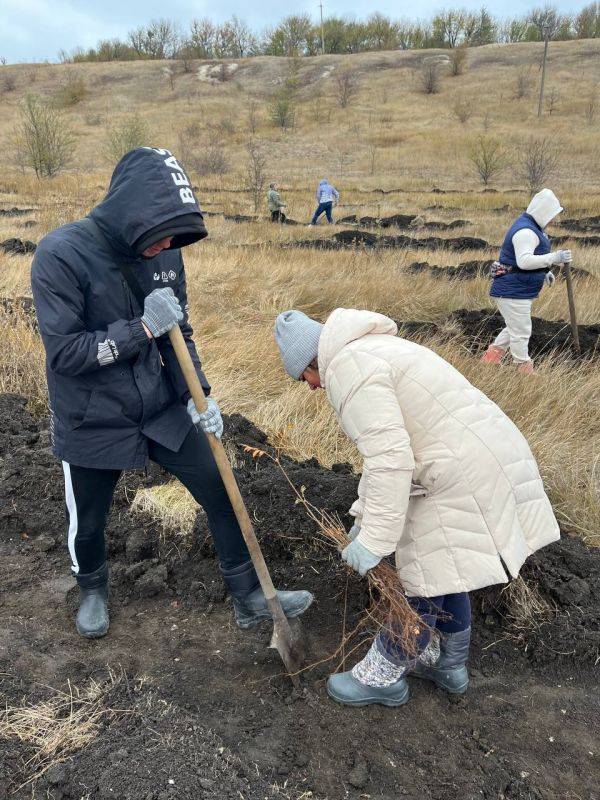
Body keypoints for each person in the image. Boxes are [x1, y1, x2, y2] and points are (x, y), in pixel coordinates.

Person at [31, 147, 313, 640]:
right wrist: (141, 329)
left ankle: (249, 596)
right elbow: (66, 354)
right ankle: (93, 590)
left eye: (173, 240)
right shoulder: (60, 255)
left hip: (159, 406)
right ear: (131, 216)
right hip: (91, 416)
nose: (165, 249)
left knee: (221, 490)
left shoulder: (165, 251)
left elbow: (180, 336)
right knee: (90, 519)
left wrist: (198, 397)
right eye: (158, 238)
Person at [274, 307, 559, 707]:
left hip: (456, 472)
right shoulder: (374, 348)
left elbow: (389, 460)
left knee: (420, 579)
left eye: (302, 376)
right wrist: (362, 516)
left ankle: (382, 675)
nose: (309, 387)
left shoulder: (348, 370)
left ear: (310, 361)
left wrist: (374, 540)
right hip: (484, 455)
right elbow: (388, 453)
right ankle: (448, 663)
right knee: (446, 568)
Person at [482, 188, 572, 374]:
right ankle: (524, 371)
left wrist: (544, 271)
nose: (553, 220)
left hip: (516, 288)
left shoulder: (531, 227)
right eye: (551, 215)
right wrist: (554, 257)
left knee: (514, 327)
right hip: (512, 290)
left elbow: (524, 260)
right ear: (542, 212)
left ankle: (490, 360)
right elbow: (524, 261)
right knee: (521, 332)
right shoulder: (526, 232)